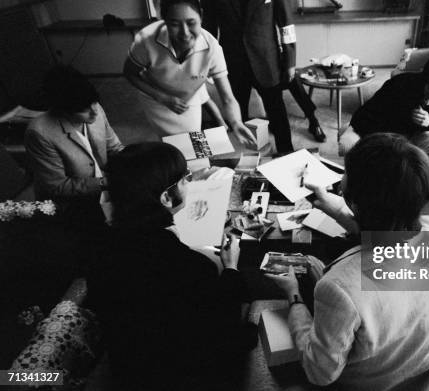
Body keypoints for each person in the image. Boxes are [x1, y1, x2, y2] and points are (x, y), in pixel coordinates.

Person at [267, 133, 429, 390]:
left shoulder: (337, 287)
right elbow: (381, 229)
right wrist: (326, 201)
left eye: (345, 173)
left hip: (374, 383)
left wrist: (294, 297)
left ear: (354, 199)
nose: (341, 179)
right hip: (424, 360)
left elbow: (319, 373)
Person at [87, 142, 254, 390]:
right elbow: (220, 322)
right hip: (180, 373)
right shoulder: (190, 266)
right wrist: (230, 268)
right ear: (166, 197)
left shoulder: (98, 250)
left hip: (128, 365)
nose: (190, 184)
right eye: (185, 179)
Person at [123, 0, 256, 148]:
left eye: (191, 23)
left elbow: (228, 98)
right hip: (156, 96)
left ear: (201, 18)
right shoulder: (146, 39)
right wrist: (162, 98)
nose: (184, 33)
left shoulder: (211, 48)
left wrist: (236, 123)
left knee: (193, 141)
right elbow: (130, 73)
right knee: (171, 144)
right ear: (164, 20)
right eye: (174, 24)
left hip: (189, 94)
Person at [201, 0, 298, 152]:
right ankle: (244, 158)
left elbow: (286, 24)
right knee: (237, 114)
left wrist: (290, 60)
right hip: (233, 60)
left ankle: (286, 152)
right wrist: (208, 62)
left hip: (266, 60)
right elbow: (208, 27)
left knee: (277, 111)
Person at [25, 65, 123, 201]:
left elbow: (114, 148)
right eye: (83, 109)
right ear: (63, 110)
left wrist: (136, 163)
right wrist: (106, 182)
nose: (95, 111)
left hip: (102, 183)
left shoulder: (95, 109)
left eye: (94, 102)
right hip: (71, 201)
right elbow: (57, 186)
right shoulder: (39, 133)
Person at [339, 54, 429, 162]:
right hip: (374, 131)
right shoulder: (400, 85)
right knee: (346, 145)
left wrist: (428, 123)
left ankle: (406, 175)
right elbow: (363, 118)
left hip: (406, 139)